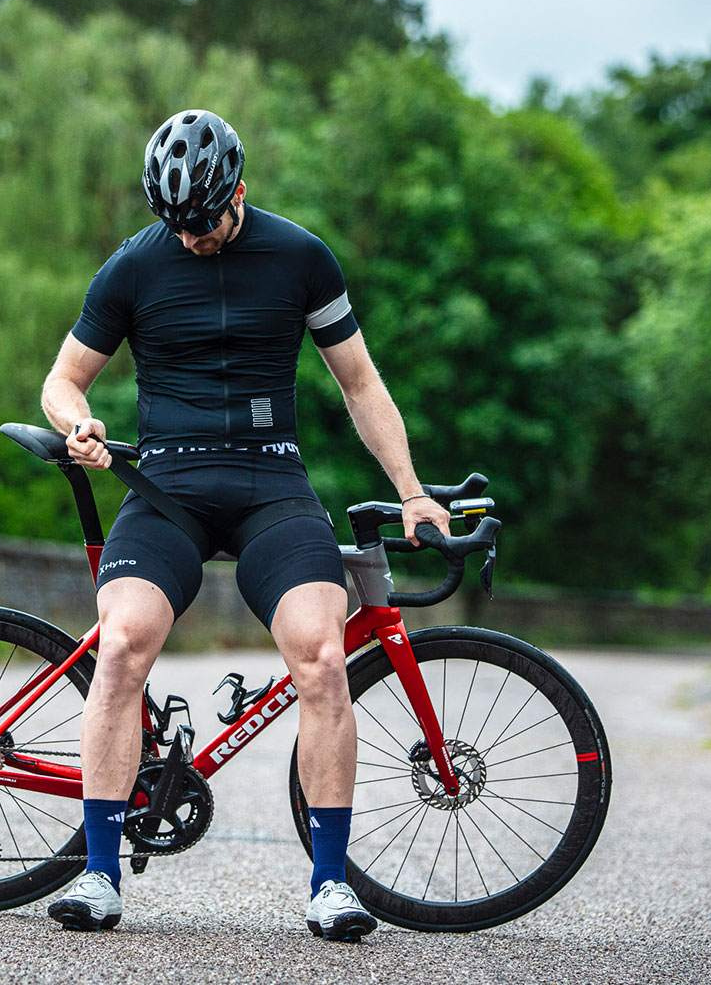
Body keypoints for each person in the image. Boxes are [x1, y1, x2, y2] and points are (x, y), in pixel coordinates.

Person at [38, 109, 450, 941]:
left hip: (273, 486)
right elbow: (64, 379)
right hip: (167, 492)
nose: (190, 238)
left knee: (325, 657)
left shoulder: (301, 257)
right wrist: (77, 422)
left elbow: (361, 386)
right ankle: (98, 874)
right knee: (118, 647)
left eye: (205, 221)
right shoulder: (132, 265)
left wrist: (410, 491)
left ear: (240, 192)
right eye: (175, 224)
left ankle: (331, 885)